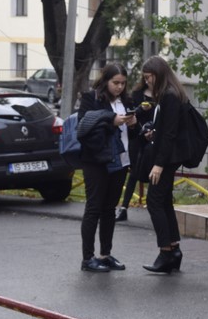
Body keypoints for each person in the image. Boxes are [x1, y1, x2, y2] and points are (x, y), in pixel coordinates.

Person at [75, 64, 135, 272]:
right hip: (96, 161)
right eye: (115, 83)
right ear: (105, 81)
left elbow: (130, 134)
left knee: (109, 209)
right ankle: (87, 258)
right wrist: (112, 120)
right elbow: (84, 127)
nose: (119, 87)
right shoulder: (91, 99)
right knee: (94, 207)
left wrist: (134, 124)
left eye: (123, 83)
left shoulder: (126, 101)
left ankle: (105, 255)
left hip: (121, 161)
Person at [139, 56, 189, 273]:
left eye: (149, 77)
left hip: (166, 159)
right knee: (164, 201)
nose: (147, 82)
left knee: (154, 202)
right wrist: (153, 133)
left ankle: (165, 252)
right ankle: (174, 249)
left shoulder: (169, 96)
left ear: (158, 75)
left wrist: (158, 164)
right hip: (168, 157)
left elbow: (170, 133)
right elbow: (165, 130)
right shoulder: (170, 93)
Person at [116, 80, 156, 222]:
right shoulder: (137, 94)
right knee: (133, 173)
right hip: (137, 138)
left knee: (154, 174)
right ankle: (123, 208)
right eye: (146, 76)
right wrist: (140, 109)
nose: (149, 80)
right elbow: (130, 115)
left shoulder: (163, 95)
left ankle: (155, 208)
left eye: (151, 76)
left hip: (154, 139)